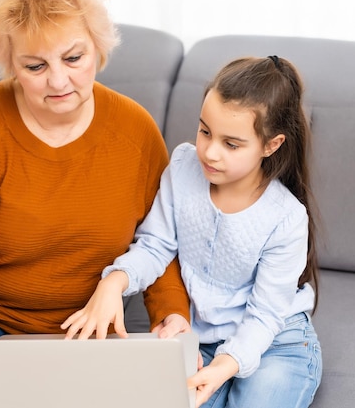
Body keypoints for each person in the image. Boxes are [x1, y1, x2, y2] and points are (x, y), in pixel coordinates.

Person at [0, 0, 191, 407]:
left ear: (98, 47)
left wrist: (172, 316)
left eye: (73, 58)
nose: (58, 81)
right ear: (10, 62)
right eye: (35, 66)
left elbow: (157, 247)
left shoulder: (136, 131)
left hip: (81, 331)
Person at [62, 56, 323, 408]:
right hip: (203, 340)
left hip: (276, 340)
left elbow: (265, 316)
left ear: (271, 145)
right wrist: (115, 281)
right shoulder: (184, 165)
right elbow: (156, 246)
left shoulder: (287, 217)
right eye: (205, 131)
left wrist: (224, 368)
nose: (210, 152)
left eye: (231, 144)